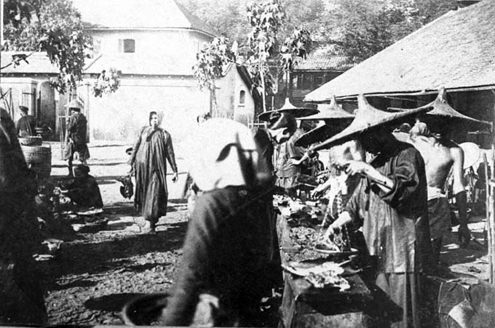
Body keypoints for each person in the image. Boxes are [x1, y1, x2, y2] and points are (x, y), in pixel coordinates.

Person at [319, 95, 433, 328]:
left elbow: (403, 190)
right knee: (381, 315)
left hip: (403, 254)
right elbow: (356, 206)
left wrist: (368, 170)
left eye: (366, 137)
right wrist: (334, 225)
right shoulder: (376, 162)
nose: (365, 144)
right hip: (377, 252)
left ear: (381, 131)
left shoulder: (407, 154)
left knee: (403, 317)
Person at [161, 119, 275, 326]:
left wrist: (171, 322)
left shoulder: (212, 203)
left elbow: (192, 270)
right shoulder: (255, 196)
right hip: (246, 307)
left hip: (218, 310)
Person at [0, 107, 47, 325]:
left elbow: (16, 157)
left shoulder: (4, 117)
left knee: (22, 265)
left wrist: (28, 180)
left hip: (14, 203)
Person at [406, 120, 469, 266]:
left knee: (430, 258)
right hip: (412, 202)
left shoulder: (454, 150)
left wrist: (463, 224)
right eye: (435, 123)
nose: (440, 128)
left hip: (436, 205)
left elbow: (459, 187)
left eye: (444, 123)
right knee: (410, 255)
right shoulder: (414, 144)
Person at [129, 111, 178, 233]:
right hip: (142, 168)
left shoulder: (165, 135)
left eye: (156, 118)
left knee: (154, 193)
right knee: (144, 193)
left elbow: (170, 153)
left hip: (156, 169)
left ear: (160, 120)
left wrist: (175, 170)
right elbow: (135, 147)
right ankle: (148, 221)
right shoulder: (143, 131)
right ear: (149, 119)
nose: (154, 120)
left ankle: (150, 224)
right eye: (152, 118)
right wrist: (130, 163)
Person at [63, 99, 90, 177]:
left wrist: (67, 123)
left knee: (70, 157)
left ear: (73, 110)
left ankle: (70, 173)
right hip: (82, 140)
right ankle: (85, 173)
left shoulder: (73, 117)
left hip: (74, 140)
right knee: (82, 158)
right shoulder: (83, 117)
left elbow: (70, 128)